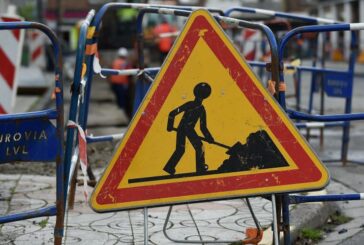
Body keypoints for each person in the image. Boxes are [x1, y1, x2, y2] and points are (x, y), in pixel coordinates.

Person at [163, 82, 214, 175]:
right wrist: (169, 126)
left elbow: (203, 127)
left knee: (180, 149)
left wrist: (209, 137)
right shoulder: (196, 107)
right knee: (199, 147)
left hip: (182, 128)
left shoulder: (196, 106)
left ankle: (169, 167)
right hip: (187, 129)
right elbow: (172, 113)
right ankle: (200, 168)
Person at [109, 47, 131, 116]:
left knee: (118, 97)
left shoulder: (115, 62)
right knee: (123, 98)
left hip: (114, 83)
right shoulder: (126, 63)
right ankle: (122, 111)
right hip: (123, 83)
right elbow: (130, 73)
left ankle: (120, 109)